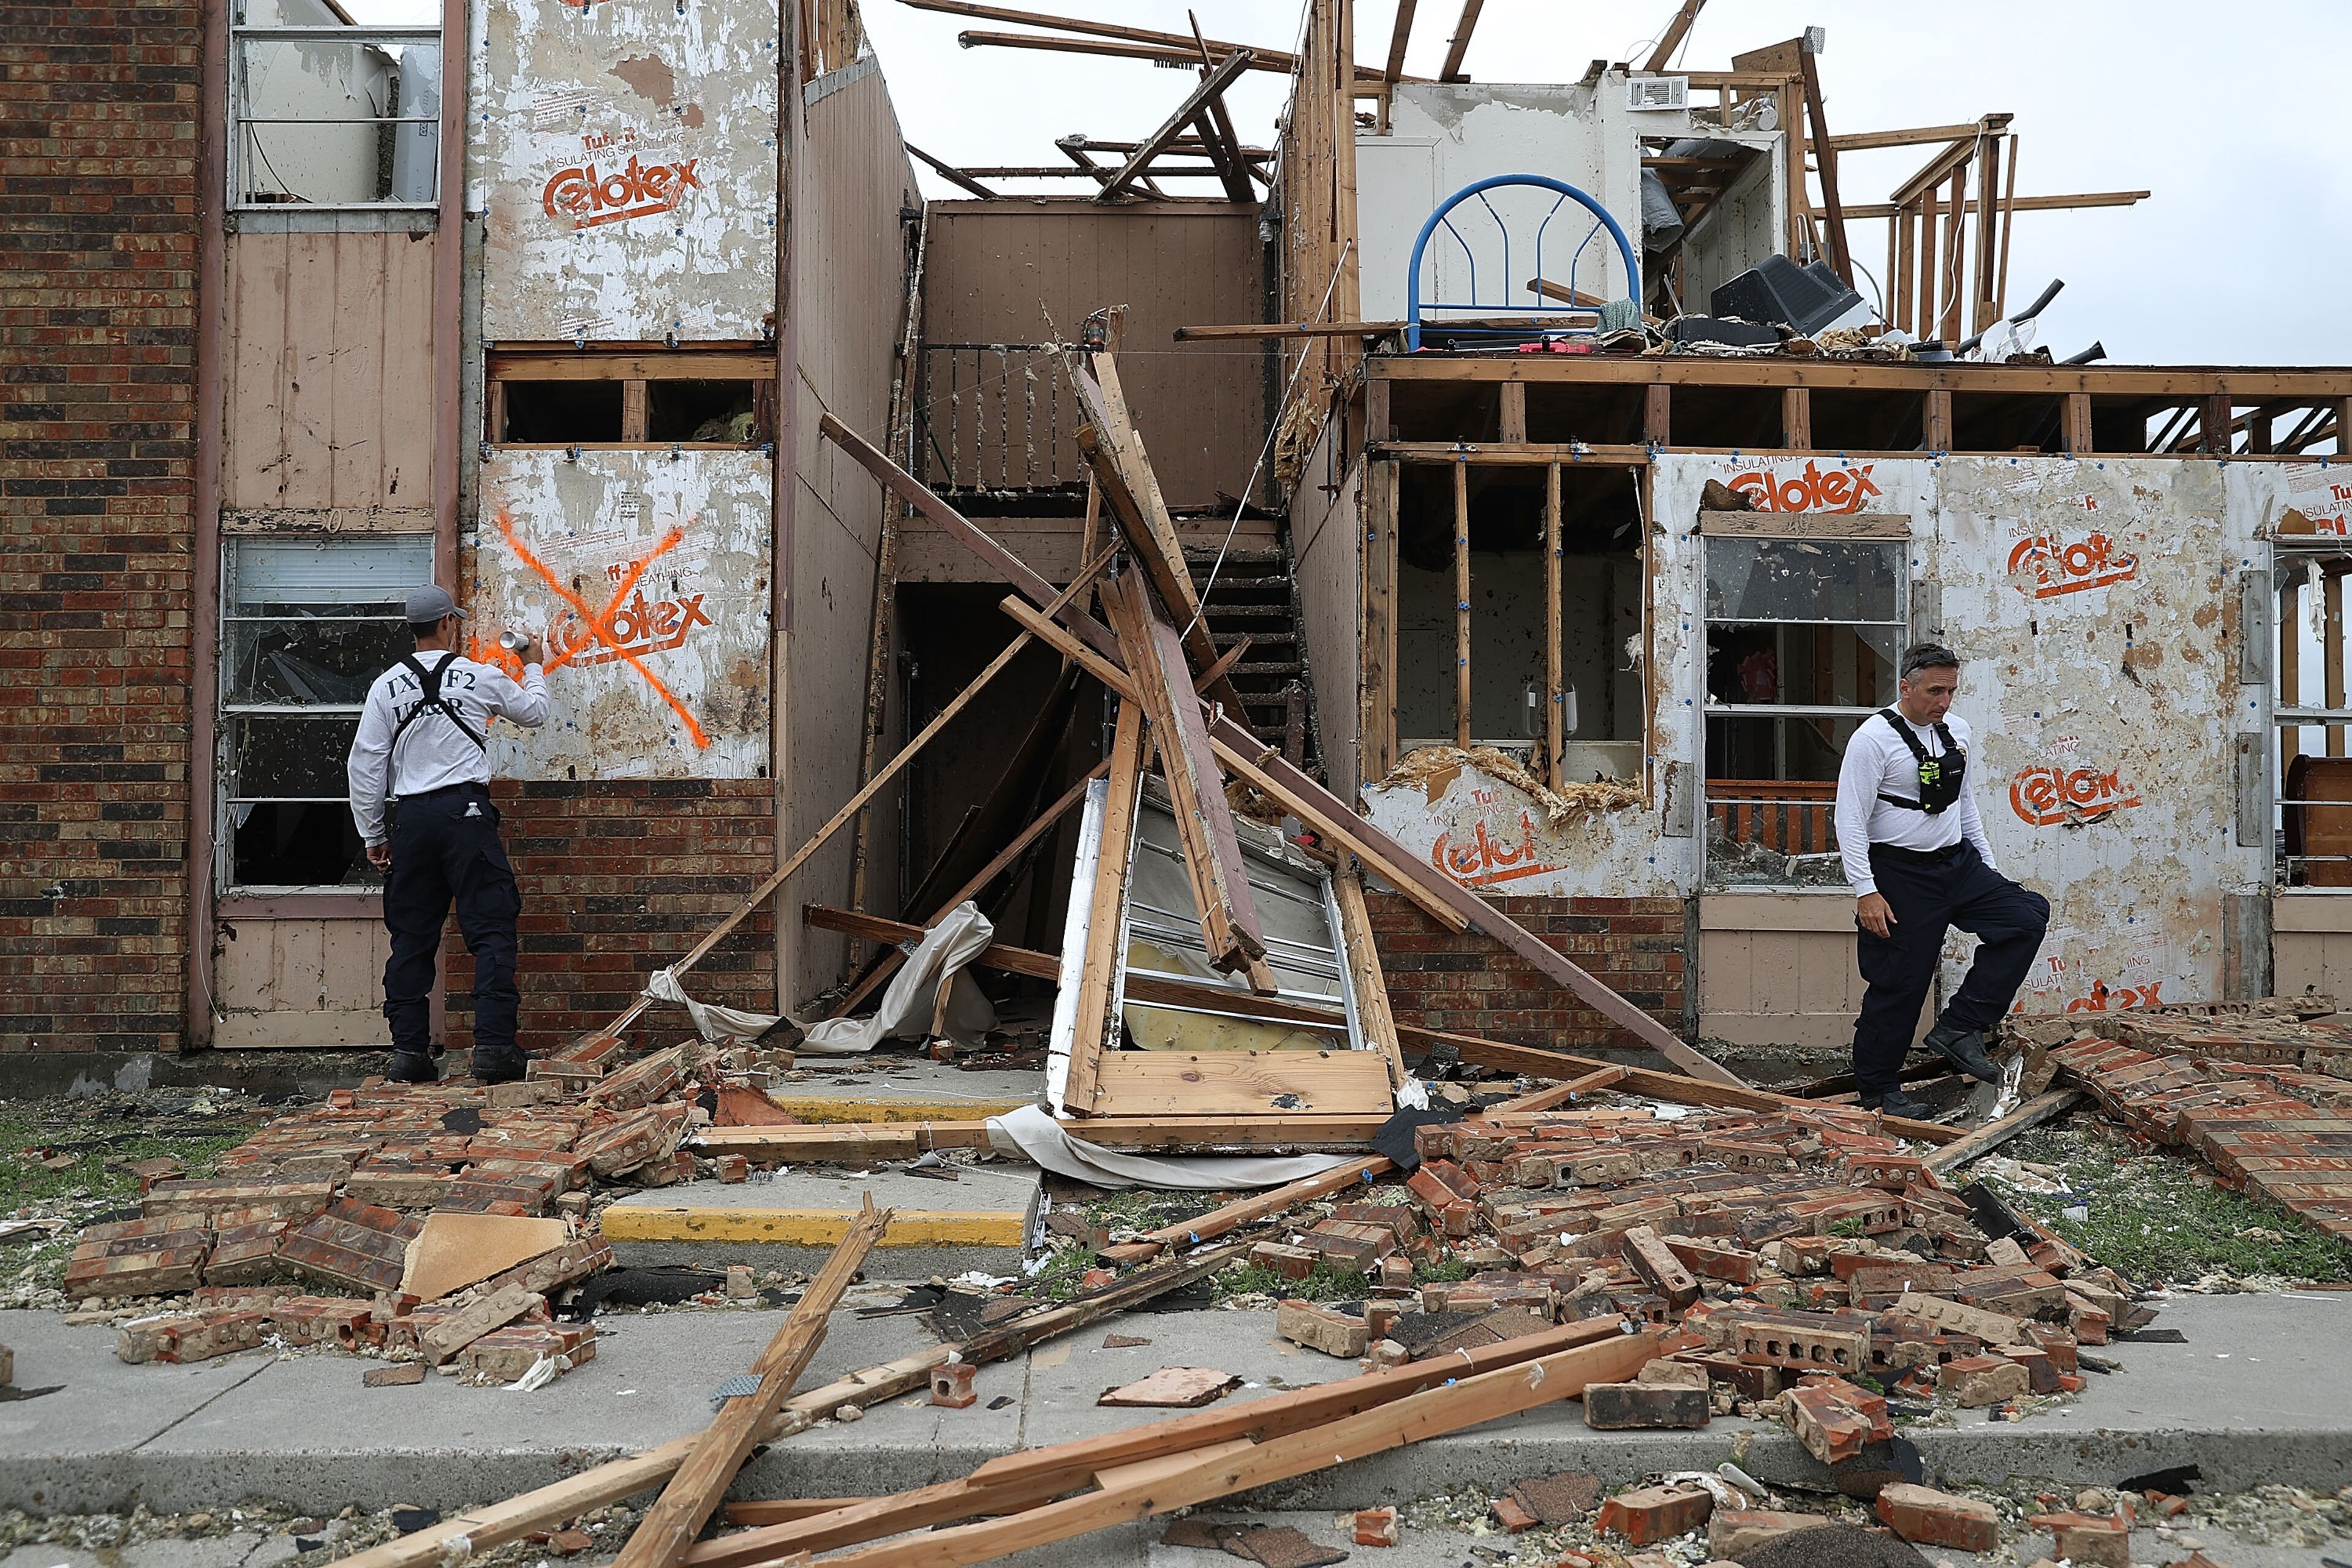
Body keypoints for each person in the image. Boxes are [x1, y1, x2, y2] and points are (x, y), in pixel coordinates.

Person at [1833, 641, 2049, 1118]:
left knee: (2026, 916)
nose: (1944, 702)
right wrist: (1866, 890)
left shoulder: (1957, 731)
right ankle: (1879, 1093)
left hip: (1958, 863)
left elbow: (1964, 803)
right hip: (1899, 874)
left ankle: (1960, 1025)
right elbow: (1849, 818)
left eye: (1951, 691)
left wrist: (1987, 868)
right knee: (1899, 984)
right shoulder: (1873, 740)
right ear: (1905, 687)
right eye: (1934, 691)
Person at [347, 586, 551, 1084]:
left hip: (412, 820)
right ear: (447, 624)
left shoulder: (385, 687)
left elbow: (365, 765)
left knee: (412, 938)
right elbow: (535, 713)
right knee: (491, 930)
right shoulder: (479, 675)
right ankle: (495, 1049)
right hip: (467, 815)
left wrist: (373, 833)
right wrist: (534, 664)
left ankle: (410, 1054)